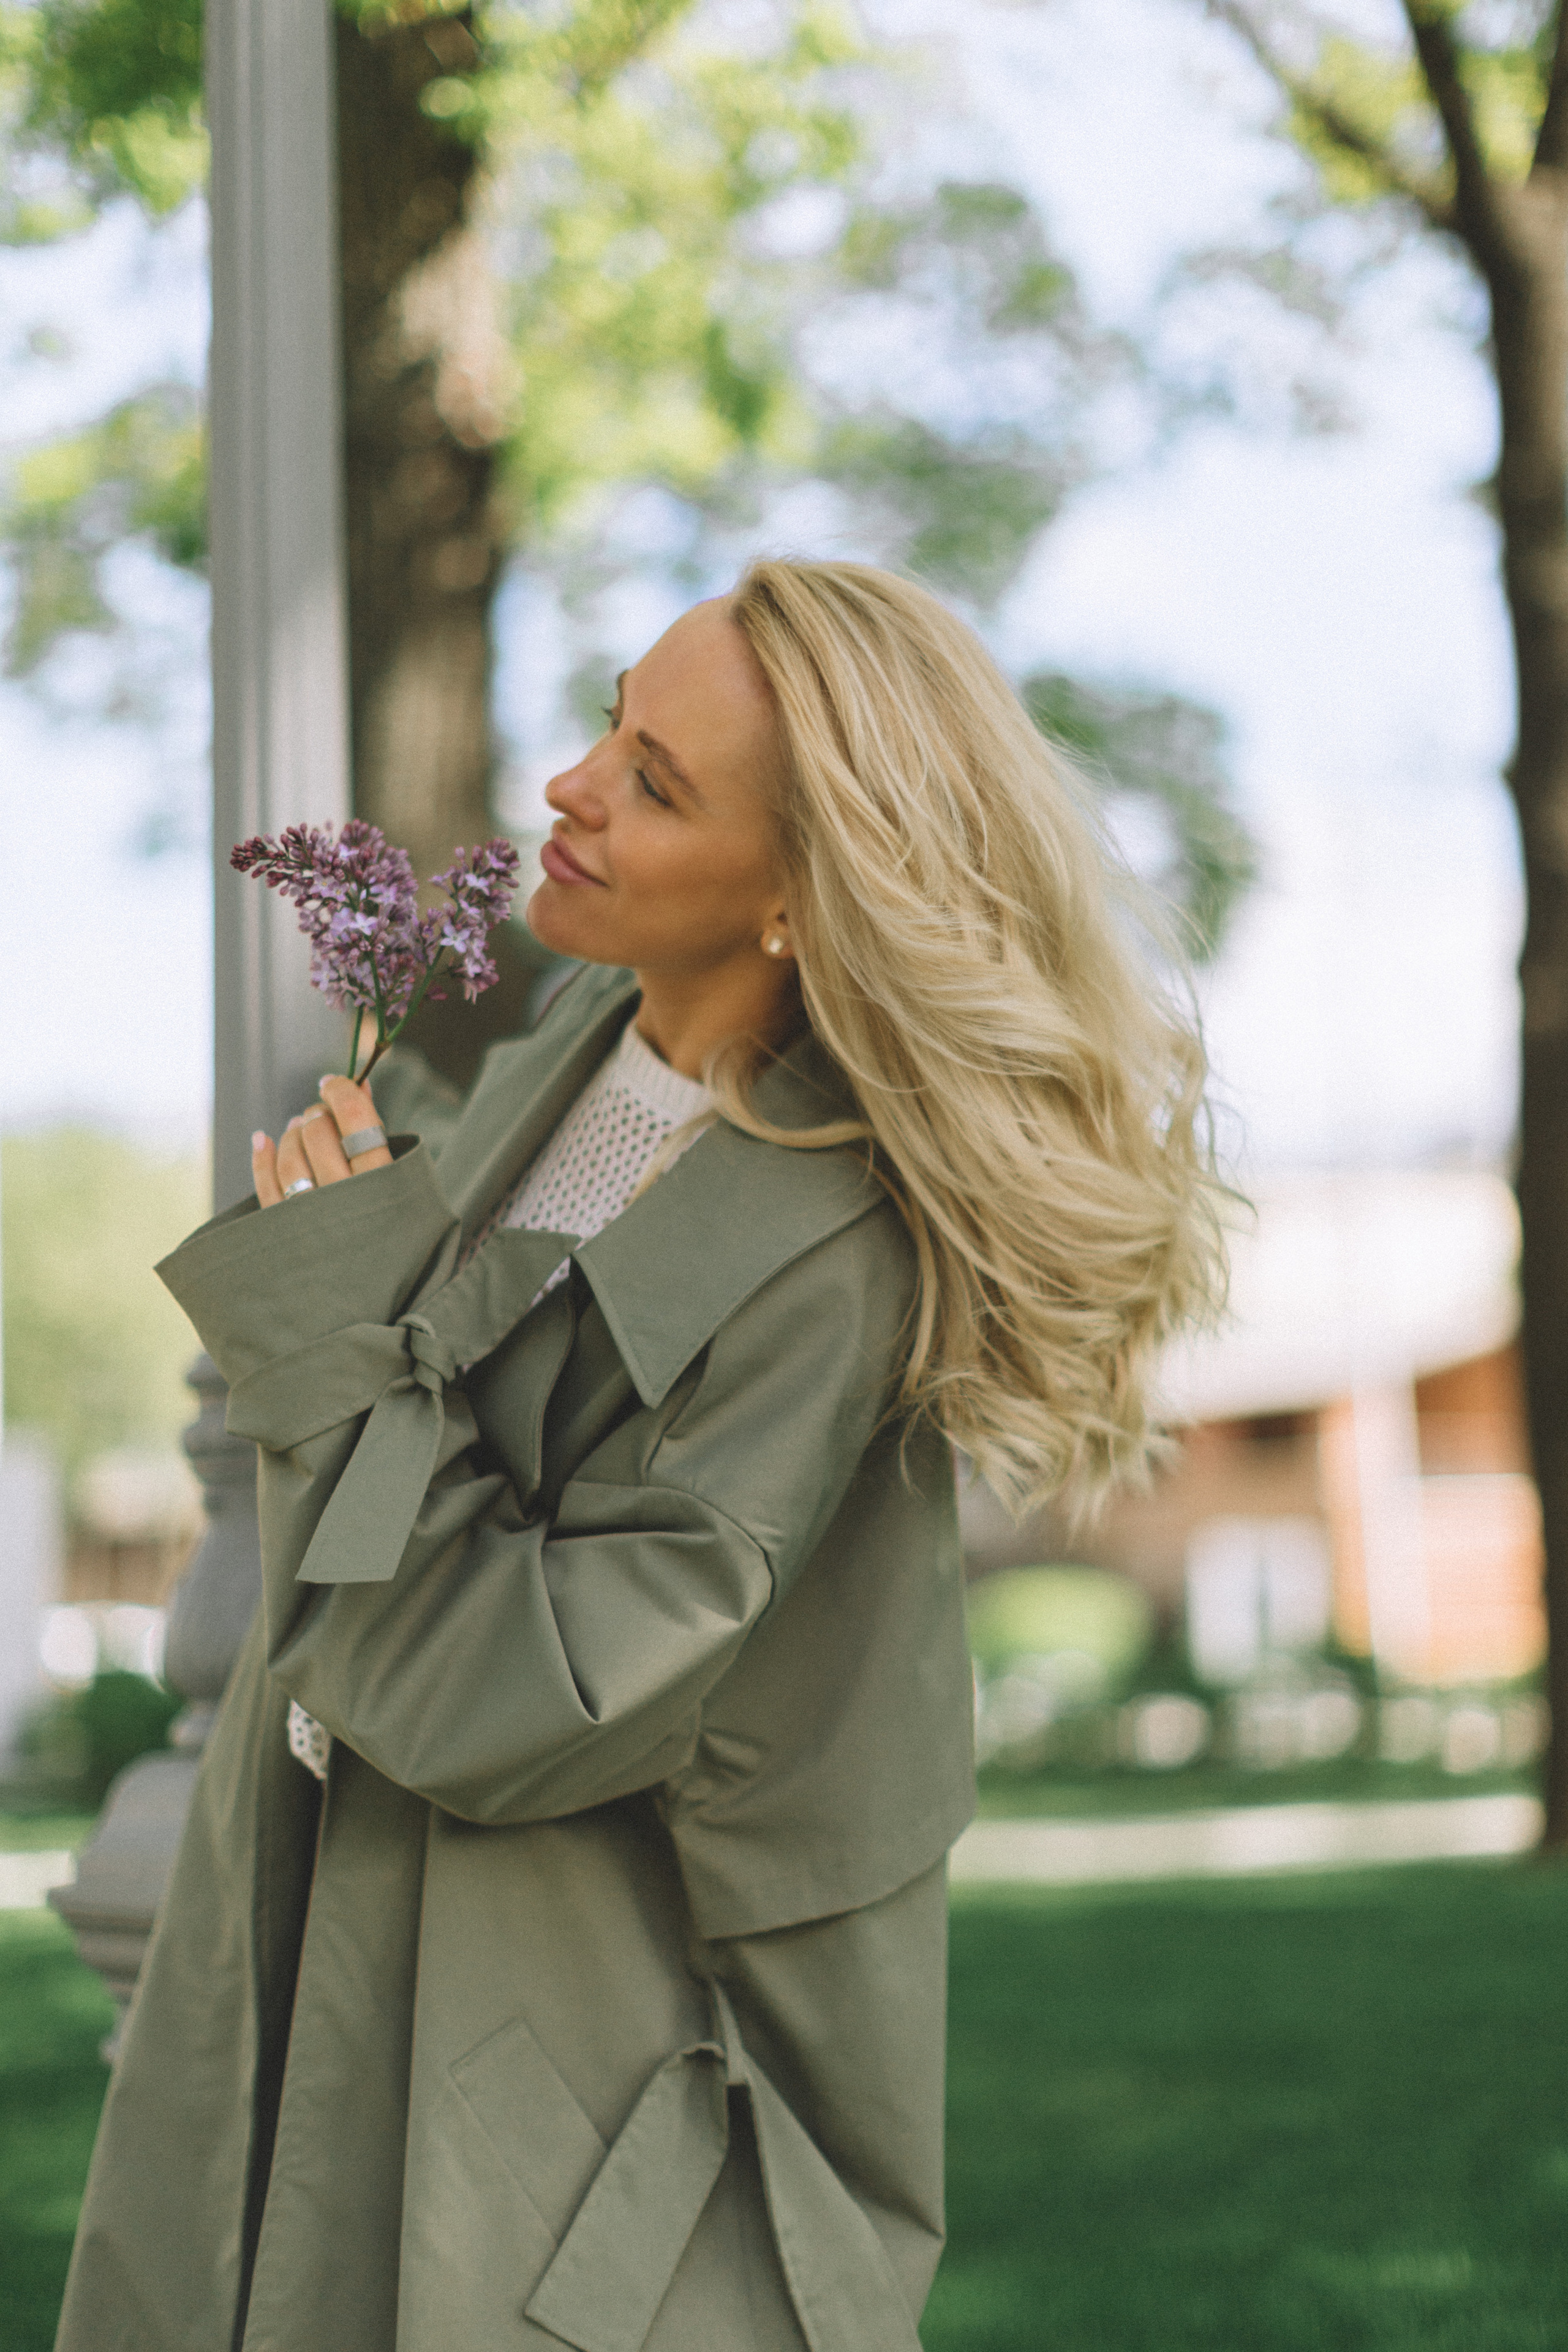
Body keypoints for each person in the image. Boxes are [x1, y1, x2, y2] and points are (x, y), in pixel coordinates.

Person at [55, 560, 1225, 2352]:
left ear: (799, 902)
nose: (568, 786)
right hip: (338, 1930)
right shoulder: (579, 1044)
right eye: (615, 719)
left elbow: (521, 1694)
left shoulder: (831, 1256)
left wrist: (325, 1334)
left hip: (562, 2069)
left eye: (658, 783)